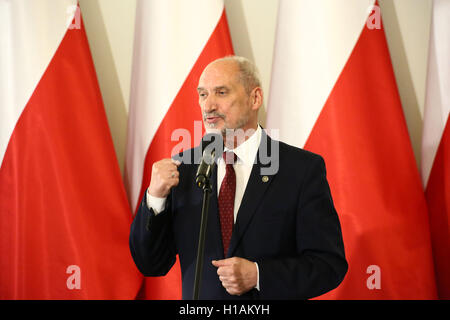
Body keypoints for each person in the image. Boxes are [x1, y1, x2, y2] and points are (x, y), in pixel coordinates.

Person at [129, 56, 347, 300]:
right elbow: (150, 263)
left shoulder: (300, 170)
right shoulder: (185, 169)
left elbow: (328, 265)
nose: (208, 105)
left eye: (221, 93)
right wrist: (155, 198)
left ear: (255, 98)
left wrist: (259, 275)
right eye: (202, 94)